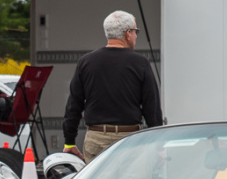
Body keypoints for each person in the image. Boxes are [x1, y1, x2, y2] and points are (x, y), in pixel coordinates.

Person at [62, 10, 163, 164]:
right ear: (128, 34)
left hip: (96, 139)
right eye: (135, 32)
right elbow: (152, 108)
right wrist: (158, 145)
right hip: (130, 139)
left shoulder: (86, 62)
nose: (136, 36)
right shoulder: (140, 63)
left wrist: (69, 141)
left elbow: (74, 104)